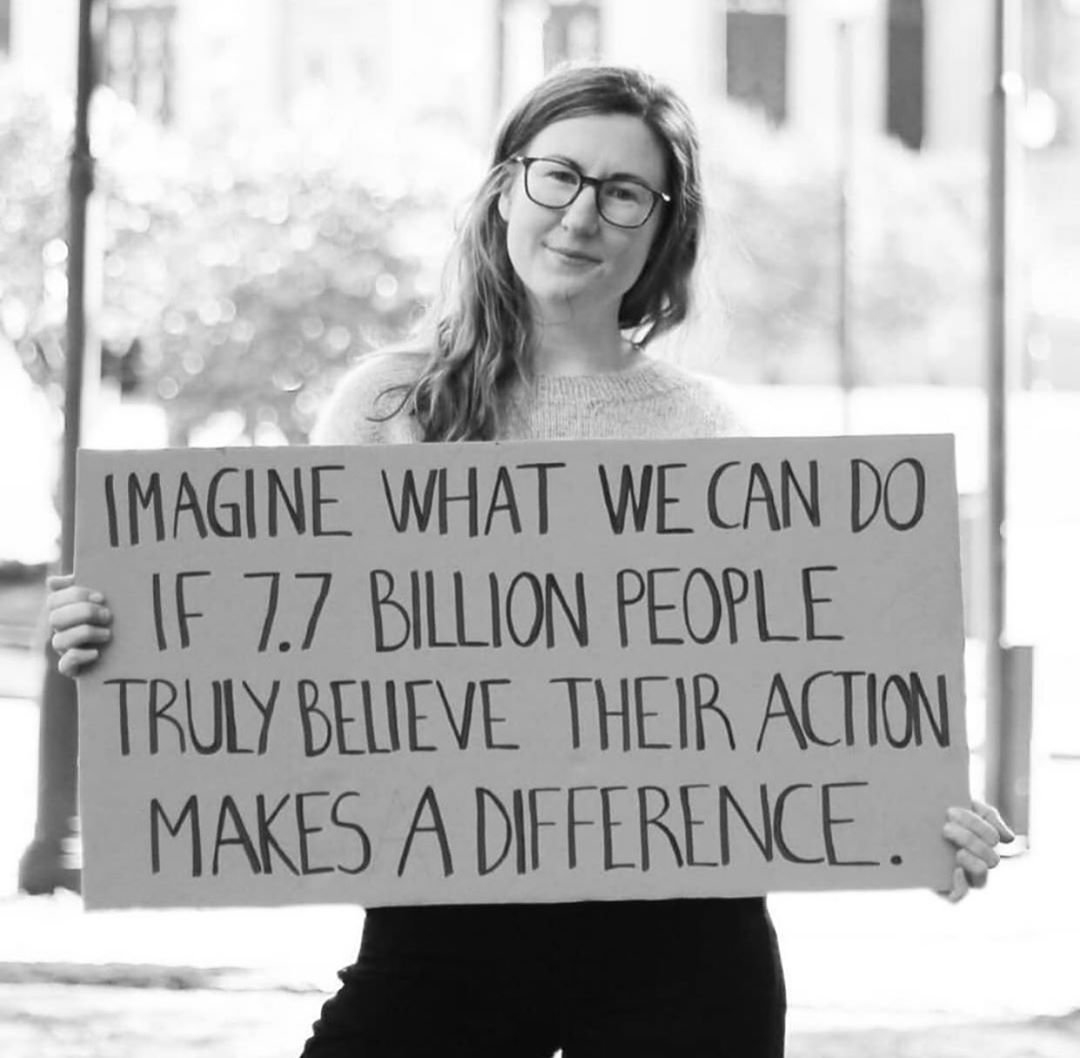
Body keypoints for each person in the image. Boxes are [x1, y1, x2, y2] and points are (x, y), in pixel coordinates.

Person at [46, 64, 1013, 1057]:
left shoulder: (711, 430)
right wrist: (124, 635)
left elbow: (796, 686)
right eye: (560, 175)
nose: (582, 214)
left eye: (623, 191)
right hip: (446, 930)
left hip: (683, 941)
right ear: (508, 187)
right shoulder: (388, 408)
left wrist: (913, 812)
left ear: (661, 230)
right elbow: (292, 649)